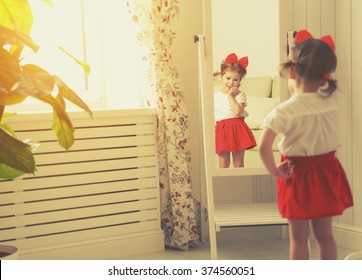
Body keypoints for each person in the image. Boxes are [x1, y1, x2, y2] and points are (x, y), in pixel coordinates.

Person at [259, 30, 354, 260]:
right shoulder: (329, 102)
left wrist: (275, 171)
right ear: (324, 78)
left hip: (296, 174)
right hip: (327, 172)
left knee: (299, 238)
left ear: (293, 72)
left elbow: (263, 147)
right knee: (325, 235)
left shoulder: (284, 111)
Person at [214, 53, 256, 168]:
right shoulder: (215, 97)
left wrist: (231, 96)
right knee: (223, 163)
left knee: (238, 162)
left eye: (235, 80)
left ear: (240, 81)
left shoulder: (240, 94)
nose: (231, 82)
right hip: (222, 129)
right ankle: (224, 185)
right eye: (228, 78)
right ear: (221, 76)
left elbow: (237, 111)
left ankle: (240, 184)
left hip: (238, 128)